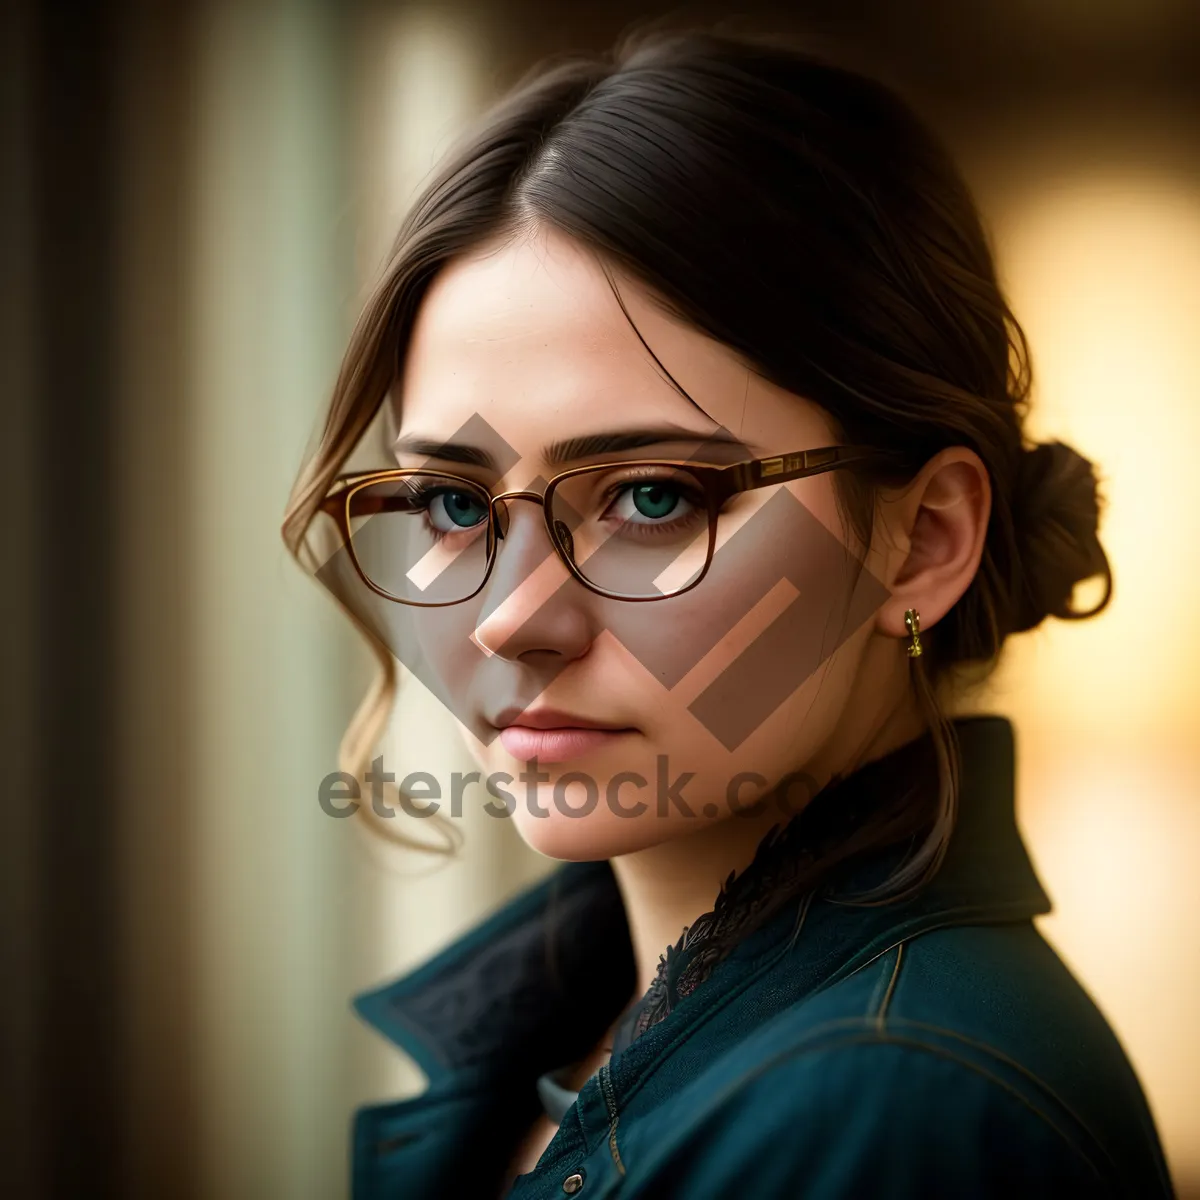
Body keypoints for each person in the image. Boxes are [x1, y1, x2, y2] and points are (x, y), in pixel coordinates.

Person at [283, 27, 1174, 1199]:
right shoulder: (591, 1031)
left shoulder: (893, 1114)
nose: (510, 621)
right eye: (454, 500)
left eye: (654, 497)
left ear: (924, 540)